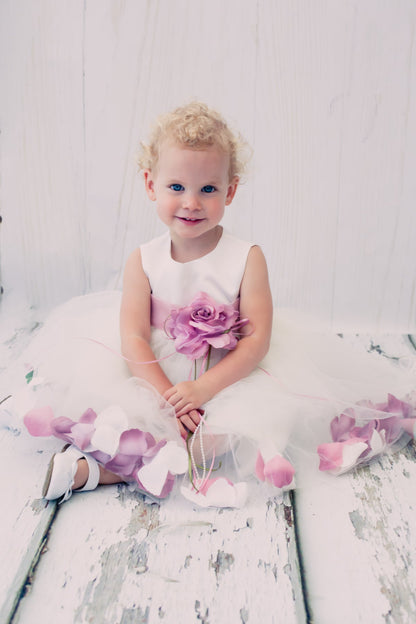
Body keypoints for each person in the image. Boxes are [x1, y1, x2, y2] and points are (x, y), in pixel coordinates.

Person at [22, 102, 416, 508]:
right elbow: (134, 337)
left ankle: (99, 472)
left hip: (229, 373)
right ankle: (101, 464)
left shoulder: (247, 257)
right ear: (150, 184)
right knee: (132, 416)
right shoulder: (143, 260)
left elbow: (258, 339)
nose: (191, 202)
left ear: (229, 190)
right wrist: (167, 397)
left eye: (207, 189)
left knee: (235, 429)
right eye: (176, 187)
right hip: (155, 374)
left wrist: (203, 388)